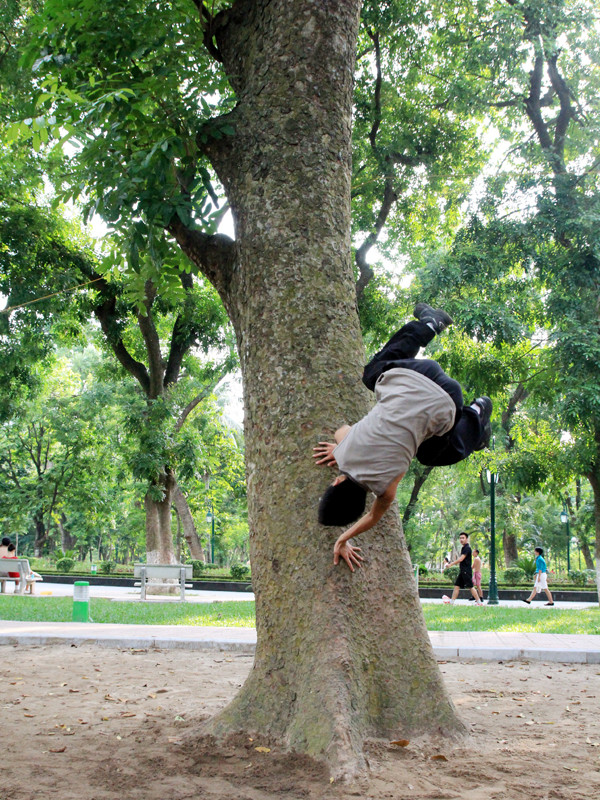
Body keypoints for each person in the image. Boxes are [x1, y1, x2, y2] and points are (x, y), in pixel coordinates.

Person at [314, 303, 492, 571]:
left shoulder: (385, 489)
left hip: (450, 400)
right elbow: (341, 431)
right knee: (372, 374)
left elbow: (374, 516)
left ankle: (477, 413)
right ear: (337, 481)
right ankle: (429, 325)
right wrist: (339, 449)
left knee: (430, 453)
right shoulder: (344, 451)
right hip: (419, 372)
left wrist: (343, 538)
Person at [442, 532, 482, 605]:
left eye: (463, 538)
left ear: (466, 539)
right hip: (463, 571)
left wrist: (451, 564)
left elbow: (461, 559)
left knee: (470, 587)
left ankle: (479, 602)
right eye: (460, 538)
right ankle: (452, 602)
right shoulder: (464, 548)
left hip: (466, 571)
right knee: (457, 586)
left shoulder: (467, 548)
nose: (461, 540)